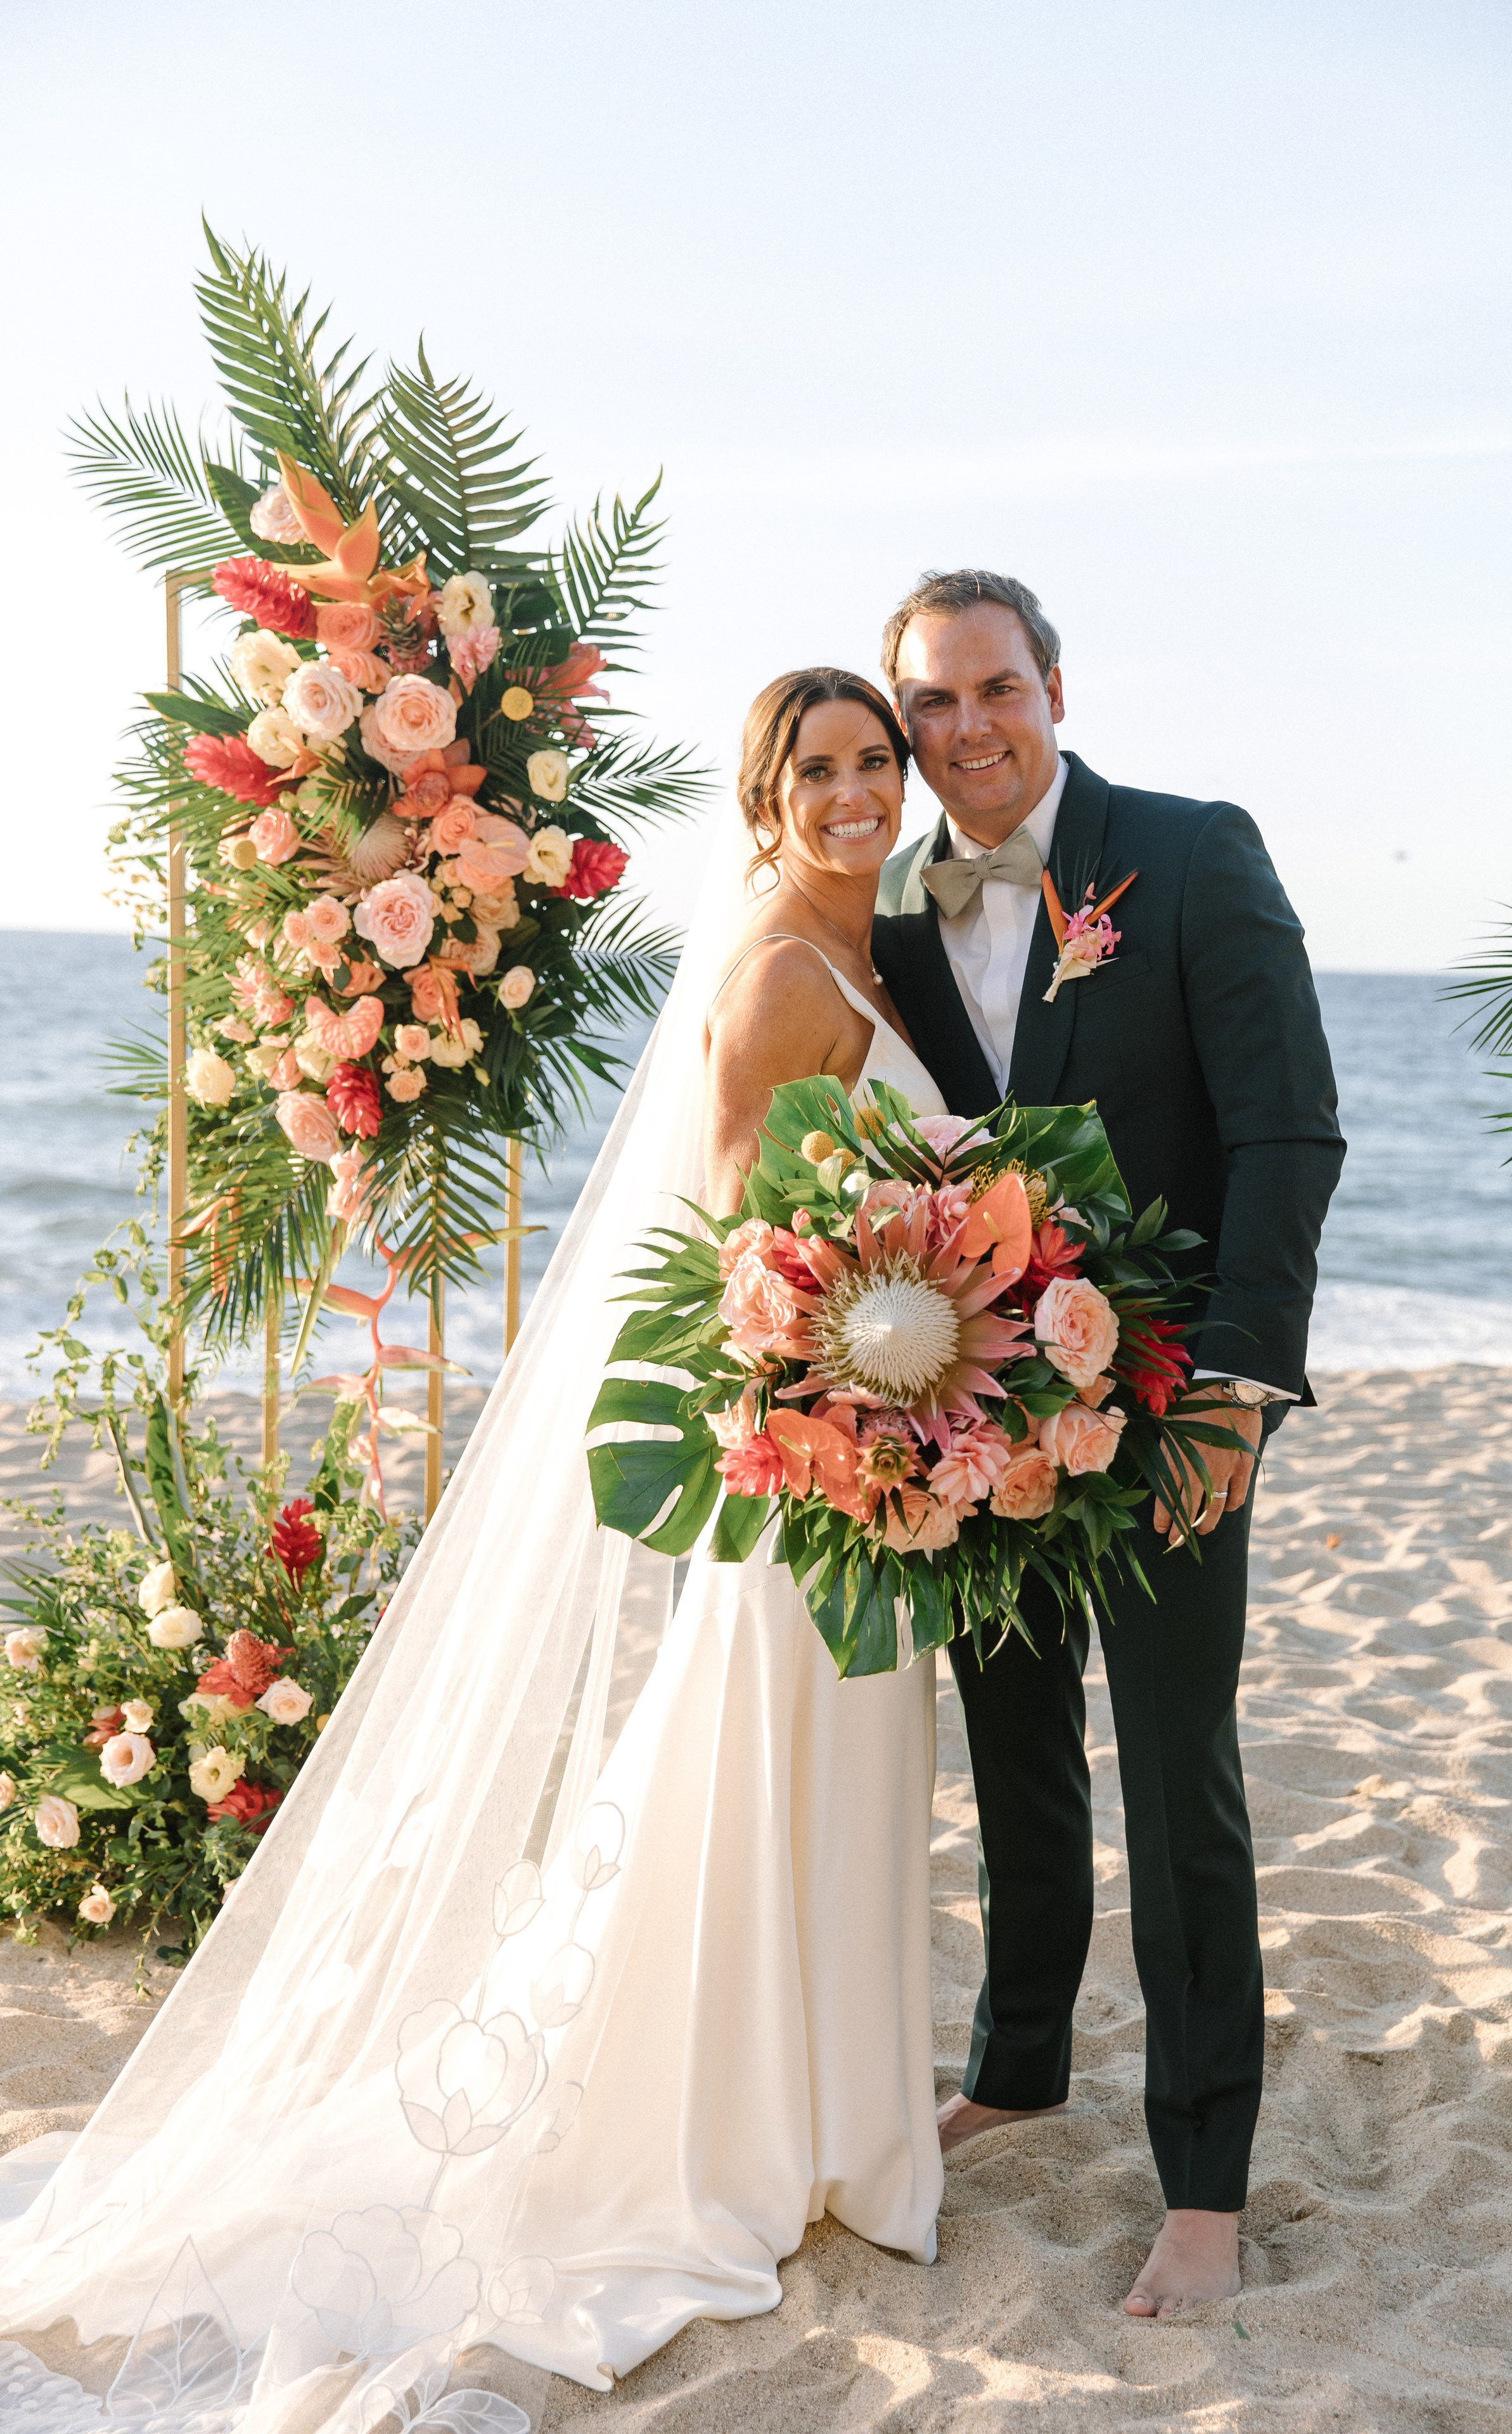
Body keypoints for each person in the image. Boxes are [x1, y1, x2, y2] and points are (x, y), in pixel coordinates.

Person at [0, 670, 947, 2419]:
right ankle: (758, 2133)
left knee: (833, 1782)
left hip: (881, 1464)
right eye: (816, 767)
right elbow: (742, 1251)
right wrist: (864, 1371)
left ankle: (831, 2128)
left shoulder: (873, 955)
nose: (851, 790)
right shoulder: (773, 972)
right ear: (765, 797)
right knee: (764, 1776)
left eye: (872, 761)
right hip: (814, 1473)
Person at [871, 568, 1345, 2318]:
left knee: (1177, 1774)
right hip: (980, 1413)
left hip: (1172, 1411)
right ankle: (1017, 2063)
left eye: (995, 689)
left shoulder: (1195, 852)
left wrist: (1234, 1391)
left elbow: (1290, 1133)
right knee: (1011, 1753)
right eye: (933, 701)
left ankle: (1206, 2183)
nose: (967, 729)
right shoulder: (895, 918)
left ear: (1055, 688)